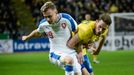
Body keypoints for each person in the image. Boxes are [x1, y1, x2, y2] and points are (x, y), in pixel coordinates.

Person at [22, 1, 81, 75]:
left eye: (49, 16)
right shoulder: (43, 24)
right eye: (45, 17)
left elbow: (77, 34)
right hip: (55, 53)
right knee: (69, 60)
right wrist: (27, 37)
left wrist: (80, 52)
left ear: (55, 11)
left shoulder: (67, 19)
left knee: (78, 73)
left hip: (71, 52)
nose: (48, 19)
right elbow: (37, 32)